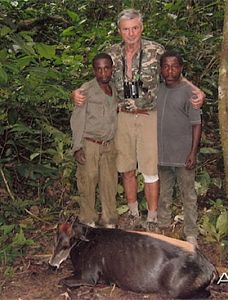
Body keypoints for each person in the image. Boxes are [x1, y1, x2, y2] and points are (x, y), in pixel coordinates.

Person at [72, 9, 205, 228]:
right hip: (122, 117)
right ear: (119, 31)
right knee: (126, 167)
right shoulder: (112, 53)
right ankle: (133, 213)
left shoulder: (155, 50)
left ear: (141, 27)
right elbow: (99, 77)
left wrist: (197, 90)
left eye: (135, 28)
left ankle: (152, 216)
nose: (131, 33)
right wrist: (76, 92)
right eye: (126, 29)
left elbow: (174, 74)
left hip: (148, 116)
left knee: (150, 168)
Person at [157, 50, 202, 246]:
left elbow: (196, 123)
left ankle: (191, 233)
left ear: (181, 69)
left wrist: (193, 152)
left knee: (188, 194)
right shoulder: (157, 90)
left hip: (183, 155)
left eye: (174, 66)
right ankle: (164, 227)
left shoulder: (189, 93)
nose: (170, 70)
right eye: (166, 66)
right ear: (160, 69)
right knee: (164, 193)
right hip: (161, 154)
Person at [70, 53, 118, 228]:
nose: (103, 72)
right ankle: (88, 222)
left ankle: (109, 222)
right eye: (99, 69)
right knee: (87, 183)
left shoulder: (115, 89)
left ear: (112, 69)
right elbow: (77, 118)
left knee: (109, 184)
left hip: (109, 145)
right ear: (94, 71)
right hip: (90, 144)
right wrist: (77, 147)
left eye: (106, 68)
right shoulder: (86, 90)